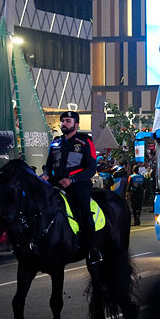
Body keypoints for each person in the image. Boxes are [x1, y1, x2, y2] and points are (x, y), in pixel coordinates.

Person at [41, 111, 101, 264]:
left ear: (76, 124)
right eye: (62, 121)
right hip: (55, 183)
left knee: (84, 210)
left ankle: (92, 247)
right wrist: (46, 174)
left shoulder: (85, 141)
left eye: (68, 121)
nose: (64, 124)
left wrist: (72, 179)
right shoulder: (56, 142)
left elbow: (91, 168)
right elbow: (48, 165)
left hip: (77, 184)